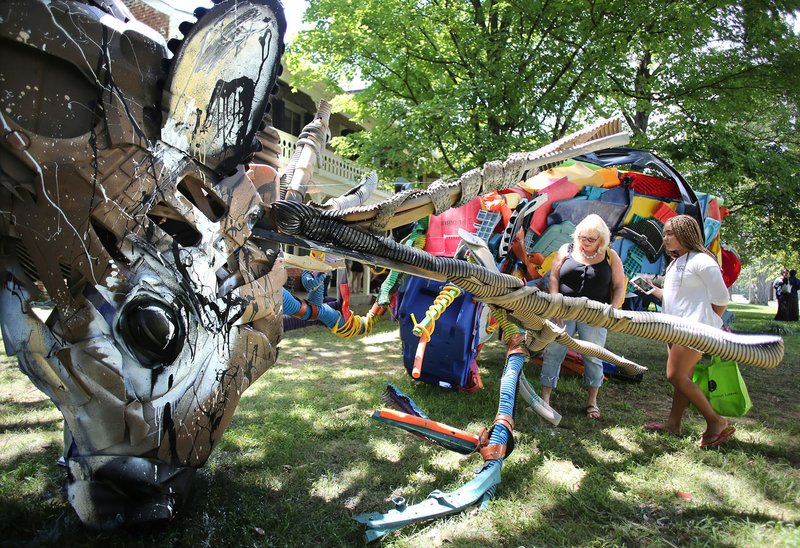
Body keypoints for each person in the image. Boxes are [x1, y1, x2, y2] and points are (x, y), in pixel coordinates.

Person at [641, 215, 734, 448]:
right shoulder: (675, 262)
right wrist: (653, 291)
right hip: (674, 329)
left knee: (675, 376)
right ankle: (673, 424)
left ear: (687, 233)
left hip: (693, 330)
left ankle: (716, 421)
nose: (666, 238)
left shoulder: (702, 260)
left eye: (670, 233)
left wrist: (709, 323)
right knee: (683, 378)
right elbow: (673, 298)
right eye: (664, 234)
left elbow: (722, 298)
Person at [540, 214, 626, 419]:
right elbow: (554, 276)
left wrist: (613, 309)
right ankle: (545, 399)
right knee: (553, 351)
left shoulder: (610, 256)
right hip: (563, 311)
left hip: (595, 314)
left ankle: (592, 401)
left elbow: (619, 285)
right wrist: (555, 301)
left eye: (591, 239)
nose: (584, 242)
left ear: (602, 240)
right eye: (581, 237)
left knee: (593, 356)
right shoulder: (566, 250)